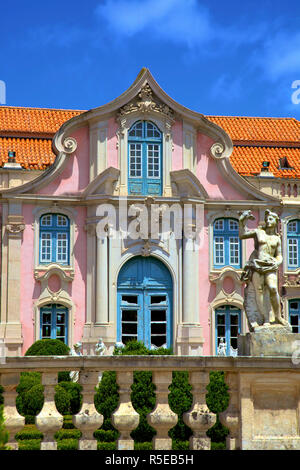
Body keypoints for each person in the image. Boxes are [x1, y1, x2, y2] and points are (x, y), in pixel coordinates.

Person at [239, 209, 288, 327]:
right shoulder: (259, 232)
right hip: (257, 265)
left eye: (270, 219)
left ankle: (278, 316)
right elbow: (242, 235)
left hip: (270, 266)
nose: (267, 221)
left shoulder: (277, 239)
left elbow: (279, 255)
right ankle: (265, 318)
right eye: (266, 219)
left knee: (273, 289)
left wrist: (277, 262)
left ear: (276, 221)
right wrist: (242, 221)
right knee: (259, 292)